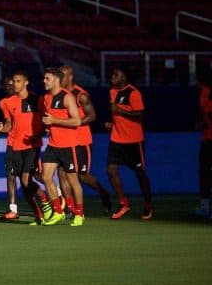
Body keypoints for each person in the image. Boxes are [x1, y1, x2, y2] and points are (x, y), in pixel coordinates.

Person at [59, 65, 112, 215]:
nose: (59, 79)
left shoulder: (80, 95)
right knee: (62, 172)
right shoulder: (58, 94)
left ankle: (103, 193)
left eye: (62, 76)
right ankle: (69, 208)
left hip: (81, 140)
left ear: (70, 77)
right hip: (64, 140)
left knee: (82, 176)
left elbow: (92, 116)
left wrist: (75, 122)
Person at [0, 72, 45, 223]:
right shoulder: (6, 103)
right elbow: (9, 125)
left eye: (16, 82)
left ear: (25, 82)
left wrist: (39, 133)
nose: (13, 85)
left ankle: (50, 197)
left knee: (30, 179)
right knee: (12, 177)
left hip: (31, 145)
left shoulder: (36, 99)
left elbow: (44, 120)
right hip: (13, 144)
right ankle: (17, 210)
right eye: (10, 83)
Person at [106, 66, 152, 220]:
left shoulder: (133, 92)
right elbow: (115, 115)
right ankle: (124, 203)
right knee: (111, 170)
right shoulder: (112, 92)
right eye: (112, 74)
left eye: (116, 74)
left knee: (140, 173)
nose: (112, 77)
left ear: (124, 77)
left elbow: (140, 115)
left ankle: (148, 204)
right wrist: (112, 124)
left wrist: (120, 112)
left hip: (134, 140)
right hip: (116, 139)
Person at [41, 67, 84, 226]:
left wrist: (54, 121)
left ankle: (79, 214)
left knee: (73, 181)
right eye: (44, 78)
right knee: (45, 177)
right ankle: (58, 212)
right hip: (53, 145)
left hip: (69, 146)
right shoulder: (46, 98)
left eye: (47, 79)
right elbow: (51, 119)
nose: (44, 81)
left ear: (57, 80)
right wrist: (48, 126)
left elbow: (77, 121)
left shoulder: (67, 97)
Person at [196, 66, 212, 218]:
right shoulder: (203, 93)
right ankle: (205, 207)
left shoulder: (207, 93)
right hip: (207, 138)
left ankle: (205, 207)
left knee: (205, 173)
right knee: (205, 172)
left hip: (209, 140)